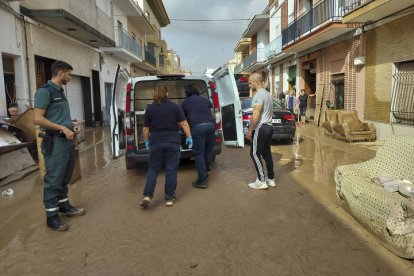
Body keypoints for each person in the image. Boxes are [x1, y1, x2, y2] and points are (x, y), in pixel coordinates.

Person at [33, 60, 85, 232]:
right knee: (54, 178)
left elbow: (55, 116)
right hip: (55, 142)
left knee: (65, 175)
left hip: (67, 141)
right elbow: (38, 118)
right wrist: (63, 128)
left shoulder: (60, 91)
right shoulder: (44, 92)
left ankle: (64, 206)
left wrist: (71, 124)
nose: (70, 78)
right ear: (61, 73)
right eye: (69, 74)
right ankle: (52, 217)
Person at [140, 85, 192, 208]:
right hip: (172, 141)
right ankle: (169, 198)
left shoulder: (150, 108)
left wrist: (146, 141)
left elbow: (146, 128)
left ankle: (147, 195)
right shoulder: (175, 106)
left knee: (153, 169)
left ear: (155, 94)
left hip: (156, 141)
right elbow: (184, 123)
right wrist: (189, 137)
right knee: (171, 169)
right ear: (167, 93)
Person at [181, 84, 215, 189]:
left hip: (198, 128)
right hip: (211, 126)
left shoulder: (185, 103)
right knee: (208, 151)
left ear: (187, 93)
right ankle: (206, 173)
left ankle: (202, 181)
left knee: (199, 154)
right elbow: (211, 110)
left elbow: (182, 118)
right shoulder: (205, 100)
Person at [246, 73, 275, 190]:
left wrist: (250, 130)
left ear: (256, 82)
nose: (249, 85)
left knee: (254, 153)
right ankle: (271, 179)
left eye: (250, 83)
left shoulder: (258, 95)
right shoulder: (268, 94)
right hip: (269, 127)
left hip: (261, 128)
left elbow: (256, 114)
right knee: (266, 153)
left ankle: (261, 180)